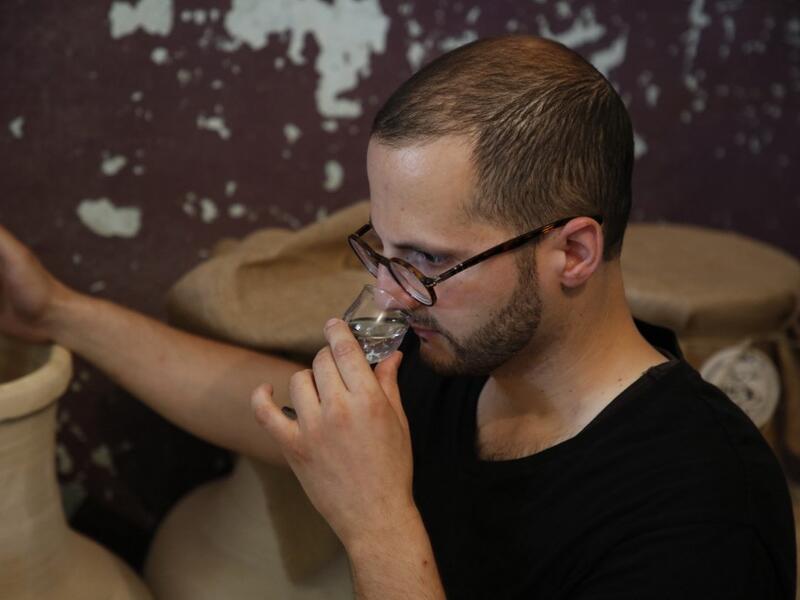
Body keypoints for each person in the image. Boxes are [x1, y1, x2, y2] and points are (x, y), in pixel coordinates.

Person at [0, 35, 795, 599]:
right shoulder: (451, 338)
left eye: (427, 260)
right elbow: (281, 405)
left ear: (574, 253)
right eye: (383, 251)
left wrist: (378, 524)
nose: (390, 292)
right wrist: (59, 313)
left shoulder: (703, 511)